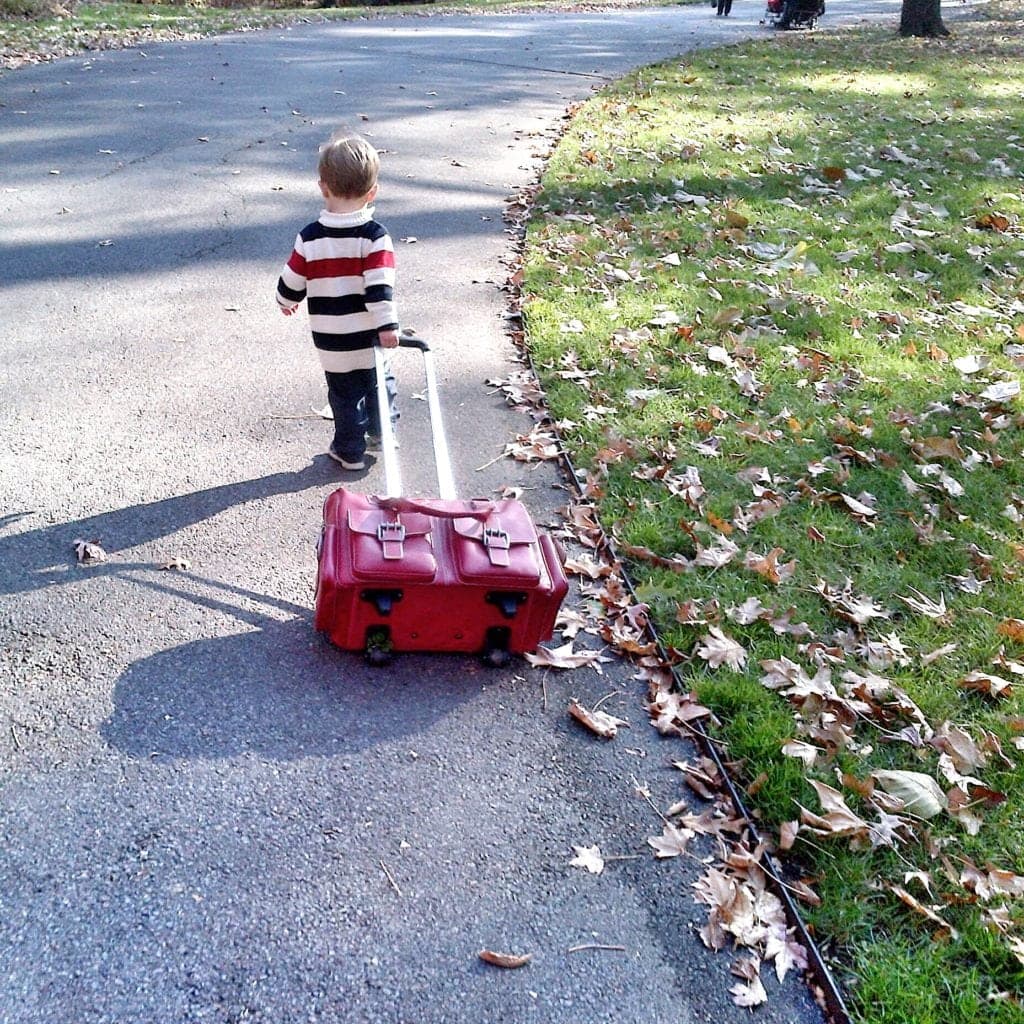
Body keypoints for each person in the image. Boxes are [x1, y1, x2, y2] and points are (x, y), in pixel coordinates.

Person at [276, 130, 399, 471]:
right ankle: (381, 428)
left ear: (323, 187)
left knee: (344, 394)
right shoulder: (375, 237)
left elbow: (292, 280)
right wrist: (388, 326)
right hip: (368, 335)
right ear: (372, 193)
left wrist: (284, 300)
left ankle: (349, 450)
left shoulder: (310, 237)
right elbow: (379, 288)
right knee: (378, 379)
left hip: (331, 341)